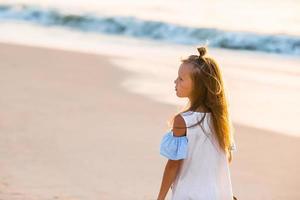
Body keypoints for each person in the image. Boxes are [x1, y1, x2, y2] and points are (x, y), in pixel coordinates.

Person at [157, 46, 237, 200]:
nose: (175, 81)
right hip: (218, 194)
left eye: (181, 79)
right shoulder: (221, 119)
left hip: (189, 194)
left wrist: (160, 198)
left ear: (198, 86)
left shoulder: (184, 120)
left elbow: (173, 165)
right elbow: (227, 158)